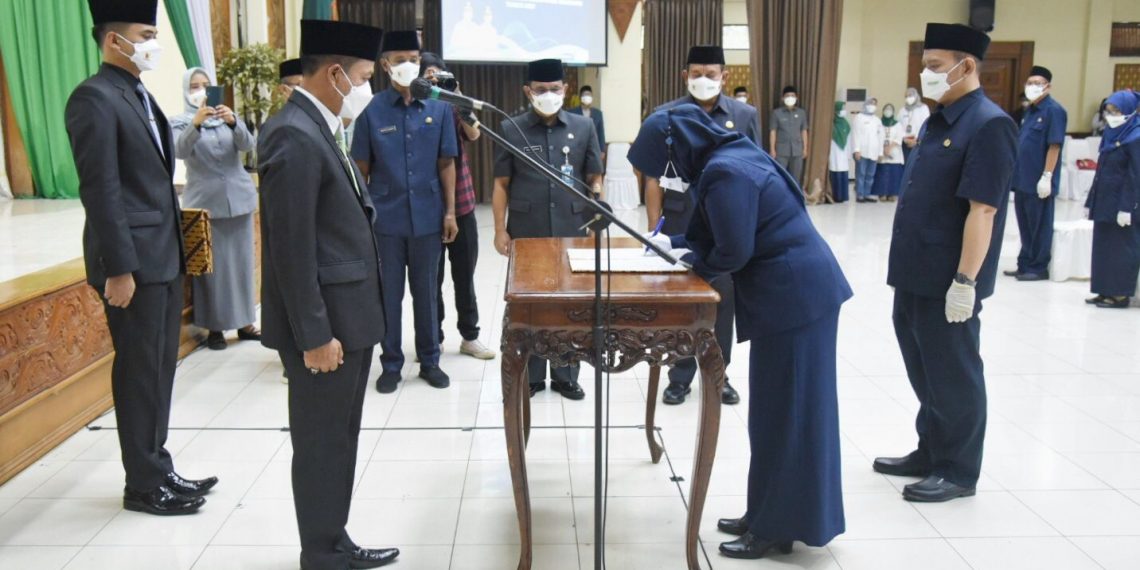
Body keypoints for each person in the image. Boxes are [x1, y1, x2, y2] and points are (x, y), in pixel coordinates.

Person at [629, 105, 852, 560]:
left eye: (662, 167)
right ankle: (768, 514)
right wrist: (679, 245)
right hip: (795, 294)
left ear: (677, 150)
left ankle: (776, 528)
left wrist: (686, 261)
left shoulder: (726, 172)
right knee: (776, 413)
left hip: (795, 298)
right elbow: (726, 232)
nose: (665, 178)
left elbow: (733, 252)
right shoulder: (729, 155)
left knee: (788, 415)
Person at [258, 19, 399, 569]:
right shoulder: (293, 134)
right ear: (337, 73)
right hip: (327, 329)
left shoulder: (320, 126)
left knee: (338, 440)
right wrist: (314, 334)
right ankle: (320, 551)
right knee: (320, 443)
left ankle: (333, 538)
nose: (368, 87)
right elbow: (290, 251)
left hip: (350, 319)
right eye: (365, 76)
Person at [65, 0, 216, 517]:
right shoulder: (93, 98)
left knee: (158, 368)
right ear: (113, 40)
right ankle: (144, 485)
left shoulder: (137, 93)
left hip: (163, 256)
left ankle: (158, 464)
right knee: (138, 371)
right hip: (133, 264)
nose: (154, 43)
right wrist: (120, 268)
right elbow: (102, 191)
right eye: (146, 33)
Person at [873, 23, 1018, 503]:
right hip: (914, 270)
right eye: (925, 67)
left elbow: (984, 209)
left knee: (953, 372)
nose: (926, 76)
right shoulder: (939, 119)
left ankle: (958, 470)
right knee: (923, 367)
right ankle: (931, 448)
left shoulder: (989, 124)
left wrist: (965, 282)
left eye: (935, 67)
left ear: (967, 65)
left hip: (947, 278)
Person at [641, 44, 758, 406]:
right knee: (680, 305)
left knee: (722, 304)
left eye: (711, 74)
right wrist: (654, 232)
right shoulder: (666, 115)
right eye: (697, 74)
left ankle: (718, 376)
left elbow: (756, 171)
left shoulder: (744, 114)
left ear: (725, 76)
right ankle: (679, 377)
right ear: (685, 76)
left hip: (726, 225)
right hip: (680, 220)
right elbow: (652, 177)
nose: (704, 80)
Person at [352, 30, 459, 393]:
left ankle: (430, 361)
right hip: (386, 218)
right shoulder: (371, 109)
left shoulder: (440, 106)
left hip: (429, 216)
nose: (408, 65)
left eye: (413, 58)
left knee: (427, 293)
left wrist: (450, 213)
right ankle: (391, 364)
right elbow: (361, 168)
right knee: (390, 294)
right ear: (385, 65)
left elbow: (447, 163)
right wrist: (363, 220)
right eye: (400, 60)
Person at [492, 58, 603, 400]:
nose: (549, 95)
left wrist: (597, 218)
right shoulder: (511, 127)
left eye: (555, 89)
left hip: (573, 225)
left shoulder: (583, 128)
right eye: (541, 90)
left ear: (566, 89)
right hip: (529, 229)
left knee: (572, 302)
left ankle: (567, 374)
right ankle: (534, 374)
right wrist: (499, 229)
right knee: (532, 303)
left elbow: (593, 177)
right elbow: (501, 184)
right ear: (528, 91)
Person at [171, 67, 261, 351]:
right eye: (194, 86)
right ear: (186, 90)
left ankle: (246, 323)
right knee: (211, 272)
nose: (200, 90)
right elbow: (180, 151)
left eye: (205, 85)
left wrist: (234, 122)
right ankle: (215, 328)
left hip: (238, 201)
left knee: (241, 265)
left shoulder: (226, 118)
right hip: (205, 204)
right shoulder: (180, 122)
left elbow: (249, 144)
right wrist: (195, 124)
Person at [419, 52, 496, 360]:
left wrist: (459, 96)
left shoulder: (453, 105)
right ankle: (433, 338)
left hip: (462, 203)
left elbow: (475, 134)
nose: (435, 82)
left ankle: (470, 336)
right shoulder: (415, 107)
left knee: (464, 274)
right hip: (428, 205)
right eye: (429, 77)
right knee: (432, 278)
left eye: (440, 77)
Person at [1006, 66, 1066, 282]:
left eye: (1037, 83)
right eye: (1029, 83)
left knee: (1039, 225)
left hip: (1039, 180)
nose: (1032, 87)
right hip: (1023, 178)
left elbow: (1054, 146)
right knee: (1025, 223)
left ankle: (1038, 266)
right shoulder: (1030, 110)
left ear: (1048, 86)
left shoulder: (1054, 111)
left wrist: (1047, 176)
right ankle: (1025, 263)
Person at [1084, 90, 1140, 309]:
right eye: (1108, 110)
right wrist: (1092, 201)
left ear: (1128, 111)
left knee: (1121, 249)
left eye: (1116, 111)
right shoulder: (1111, 132)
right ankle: (1103, 289)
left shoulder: (1135, 136)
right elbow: (1102, 170)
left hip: (1124, 203)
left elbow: (1135, 176)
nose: (1111, 115)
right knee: (1103, 247)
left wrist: (1127, 207)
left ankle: (1119, 294)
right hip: (1106, 200)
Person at [769, 85, 809, 182]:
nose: (790, 98)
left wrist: (805, 148)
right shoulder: (776, 113)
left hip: (797, 151)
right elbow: (773, 132)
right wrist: (772, 149)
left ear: (796, 98)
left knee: (795, 178)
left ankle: (794, 197)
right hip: (781, 151)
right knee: (780, 177)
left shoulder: (801, 113)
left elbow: (804, 131)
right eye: (787, 96)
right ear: (783, 98)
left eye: (792, 95)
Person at [851, 98, 883, 203]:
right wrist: (856, 150)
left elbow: (880, 137)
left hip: (873, 152)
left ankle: (867, 193)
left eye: (874, 104)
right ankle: (860, 194)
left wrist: (880, 152)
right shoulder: (859, 118)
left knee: (870, 175)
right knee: (861, 174)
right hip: (862, 151)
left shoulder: (877, 120)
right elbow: (856, 134)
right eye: (870, 103)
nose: (872, 106)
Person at [872, 103, 905, 201]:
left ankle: (892, 194)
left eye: (890, 109)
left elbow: (899, 137)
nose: (888, 111)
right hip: (881, 152)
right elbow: (876, 136)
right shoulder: (879, 122)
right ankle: (882, 194)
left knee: (894, 174)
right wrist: (882, 149)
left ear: (893, 112)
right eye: (886, 109)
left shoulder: (897, 124)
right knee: (881, 173)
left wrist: (889, 148)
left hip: (894, 152)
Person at [568, 85, 607, 162]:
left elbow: (601, 132)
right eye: (585, 95)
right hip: (576, 148)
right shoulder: (572, 113)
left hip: (593, 149)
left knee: (593, 171)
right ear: (580, 97)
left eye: (589, 95)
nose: (587, 97)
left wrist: (602, 150)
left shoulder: (598, 113)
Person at [898, 87, 930, 164]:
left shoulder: (923, 108)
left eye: (910, 95)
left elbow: (927, 126)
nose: (908, 98)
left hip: (918, 143)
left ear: (916, 96)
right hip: (905, 143)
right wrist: (905, 139)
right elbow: (898, 127)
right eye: (906, 96)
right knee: (906, 166)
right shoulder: (902, 110)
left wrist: (917, 140)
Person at [829, 101, 852, 203]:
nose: (843, 111)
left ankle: (844, 196)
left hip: (844, 152)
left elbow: (849, 138)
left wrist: (849, 152)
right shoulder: (832, 124)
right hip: (834, 151)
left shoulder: (846, 123)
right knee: (835, 170)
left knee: (843, 170)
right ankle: (836, 196)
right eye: (841, 108)